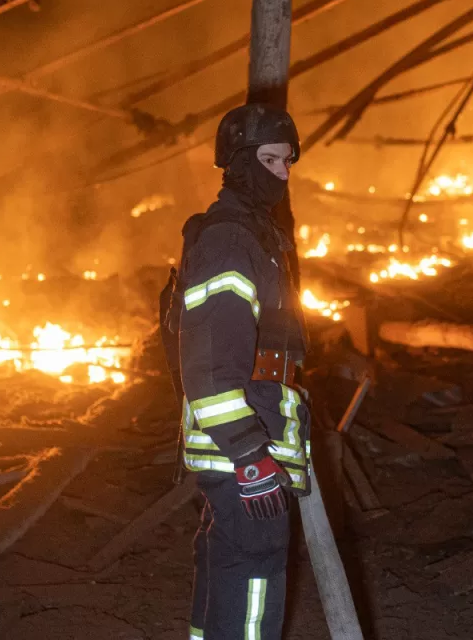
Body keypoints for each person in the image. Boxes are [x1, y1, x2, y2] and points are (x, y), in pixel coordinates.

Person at [170, 103, 311, 639]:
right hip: (244, 449)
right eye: (271, 160)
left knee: (229, 568)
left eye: (288, 162)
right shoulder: (230, 240)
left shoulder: (255, 237)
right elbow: (207, 363)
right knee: (252, 577)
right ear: (237, 162)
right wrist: (250, 457)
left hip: (251, 439)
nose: (283, 173)